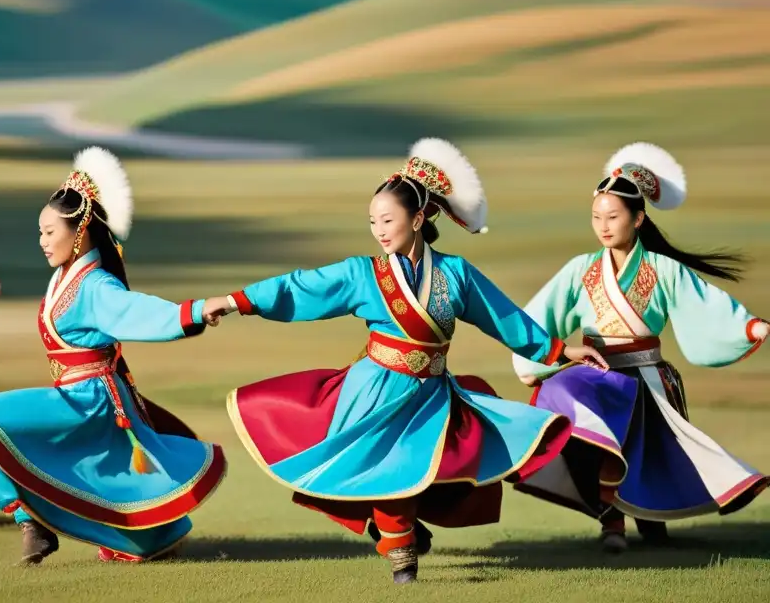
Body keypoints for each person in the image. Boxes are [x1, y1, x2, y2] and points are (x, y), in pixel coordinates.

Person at [201, 138, 591, 585]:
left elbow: (504, 319)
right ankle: (401, 554)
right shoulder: (363, 274)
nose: (379, 230)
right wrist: (234, 301)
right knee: (383, 470)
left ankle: (397, 533)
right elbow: (300, 287)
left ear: (419, 218)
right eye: (372, 221)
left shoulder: (457, 274)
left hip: (433, 394)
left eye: (388, 219)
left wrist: (558, 351)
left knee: (421, 470)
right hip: (375, 392)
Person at [0, 147, 227, 566]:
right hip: (76, 397)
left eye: (49, 232)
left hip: (91, 402)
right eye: (39, 232)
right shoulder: (67, 276)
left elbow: (137, 312)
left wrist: (194, 310)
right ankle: (32, 521)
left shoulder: (95, 287)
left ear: (80, 232)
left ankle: (32, 522)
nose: (41, 242)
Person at [511, 142, 769, 553]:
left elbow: (704, 304)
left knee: (652, 459)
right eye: (596, 217)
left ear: (638, 218)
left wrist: (750, 327)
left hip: (647, 376)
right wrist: (549, 352)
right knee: (597, 440)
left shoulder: (663, 269)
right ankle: (612, 525)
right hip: (597, 376)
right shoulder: (581, 269)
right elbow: (540, 317)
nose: (604, 226)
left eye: (613, 217)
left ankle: (652, 525)